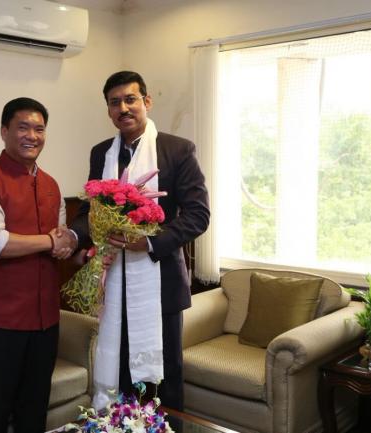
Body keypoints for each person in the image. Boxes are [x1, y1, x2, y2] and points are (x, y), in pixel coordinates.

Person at [71, 71, 210, 411]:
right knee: (120, 373)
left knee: (163, 379)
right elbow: (90, 211)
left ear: (147, 102)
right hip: (113, 283)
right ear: (108, 110)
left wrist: (147, 242)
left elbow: (198, 215)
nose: (123, 108)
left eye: (130, 99)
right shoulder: (101, 153)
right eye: (114, 102)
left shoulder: (177, 150)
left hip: (160, 282)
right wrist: (73, 236)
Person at [0, 97, 76, 433]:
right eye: (23, 127)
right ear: (4, 131)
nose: (32, 136)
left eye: (39, 129)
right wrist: (52, 242)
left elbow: (59, 241)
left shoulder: (51, 184)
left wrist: (74, 251)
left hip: (45, 321)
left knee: (34, 411)